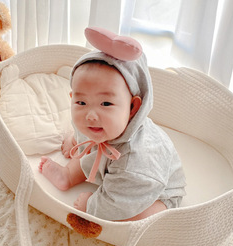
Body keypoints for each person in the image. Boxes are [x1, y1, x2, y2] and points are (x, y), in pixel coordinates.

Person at [38, 27, 186, 221]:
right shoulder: (97, 124)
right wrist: (75, 140)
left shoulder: (137, 162)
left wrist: (92, 206)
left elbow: (120, 204)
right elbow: (84, 134)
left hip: (153, 192)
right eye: (81, 102)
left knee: (145, 217)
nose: (90, 115)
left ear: (132, 108)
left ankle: (121, 205)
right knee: (89, 153)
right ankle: (67, 176)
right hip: (113, 165)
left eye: (106, 104)